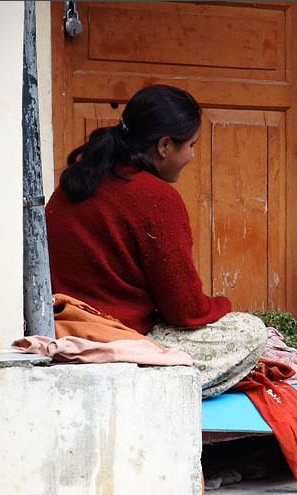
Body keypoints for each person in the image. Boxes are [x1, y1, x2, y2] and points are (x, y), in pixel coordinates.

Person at [45, 84, 265, 398]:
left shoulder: (74, 182)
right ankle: (146, 393)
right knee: (251, 331)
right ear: (164, 145)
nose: (191, 155)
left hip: (61, 330)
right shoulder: (156, 197)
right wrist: (223, 306)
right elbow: (185, 311)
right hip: (116, 339)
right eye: (190, 145)